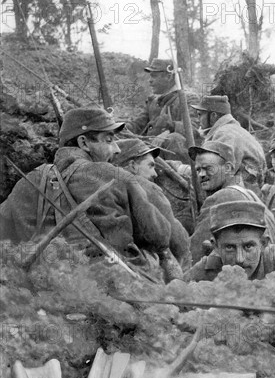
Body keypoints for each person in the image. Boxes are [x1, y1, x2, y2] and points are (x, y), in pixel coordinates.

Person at [0, 108, 172, 270]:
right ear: (84, 143)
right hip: (114, 284)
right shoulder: (113, 175)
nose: (118, 149)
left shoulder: (29, 180)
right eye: (109, 140)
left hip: (45, 287)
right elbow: (159, 235)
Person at [188, 141, 275, 264]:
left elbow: (195, 252)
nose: (201, 174)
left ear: (228, 168)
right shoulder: (248, 193)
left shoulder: (222, 197)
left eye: (208, 169)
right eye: (198, 170)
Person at [113, 138, 190, 270]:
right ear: (132, 166)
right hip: (147, 267)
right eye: (150, 165)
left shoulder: (108, 185)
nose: (154, 174)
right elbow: (177, 241)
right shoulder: (147, 187)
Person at [125, 58, 200, 163]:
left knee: (173, 138)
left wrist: (170, 129)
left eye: (154, 76)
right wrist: (119, 129)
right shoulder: (153, 101)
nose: (150, 80)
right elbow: (137, 123)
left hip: (176, 154)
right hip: (152, 151)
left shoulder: (188, 99)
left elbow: (193, 129)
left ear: (169, 77)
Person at [186, 201, 275, 282]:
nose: (240, 259)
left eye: (248, 246)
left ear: (263, 243)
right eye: (229, 247)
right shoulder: (207, 269)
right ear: (216, 246)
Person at [190, 95, 267, 191]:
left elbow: (217, 173)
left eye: (200, 114)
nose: (198, 119)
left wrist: (182, 170)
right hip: (246, 187)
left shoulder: (225, 133)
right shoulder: (232, 130)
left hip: (241, 191)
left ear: (213, 116)